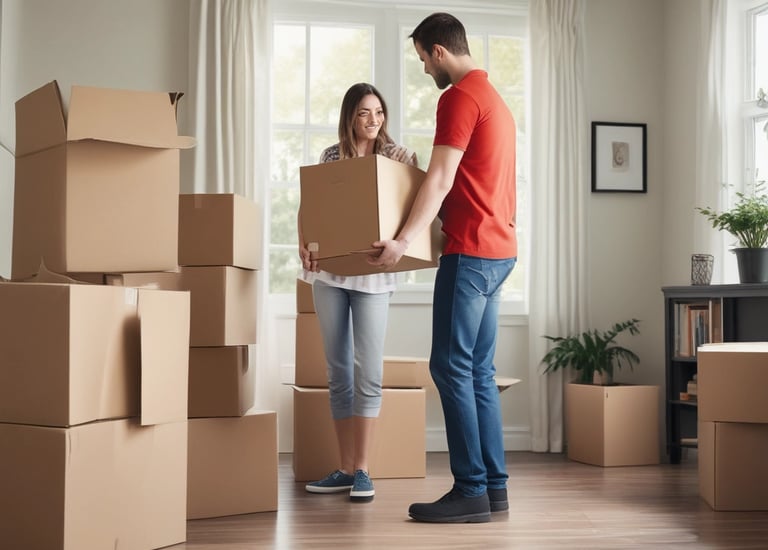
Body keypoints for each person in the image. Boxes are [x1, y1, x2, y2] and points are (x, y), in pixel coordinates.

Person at [368, 13, 517, 523]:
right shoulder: (496, 100)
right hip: (500, 251)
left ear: (438, 51)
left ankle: (471, 489)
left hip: (471, 252)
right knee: (478, 371)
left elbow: (439, 178)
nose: (425, 70)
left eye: (422, 60)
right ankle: (494, 489)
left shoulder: (459, 97)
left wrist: (402, 241)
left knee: (450, 367)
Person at [297, 82, 418, 503]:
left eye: (379, 112)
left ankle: (363, 469)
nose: (374, 120)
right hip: (331, 277)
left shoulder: (397, 157)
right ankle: (345, 468)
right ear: (350, 116)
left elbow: (411, 207)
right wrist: (304, 243)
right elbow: (311, 205)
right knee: (338, 372)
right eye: (365, 112)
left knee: (369, 371)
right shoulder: (331, 157)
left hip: (374, 279)